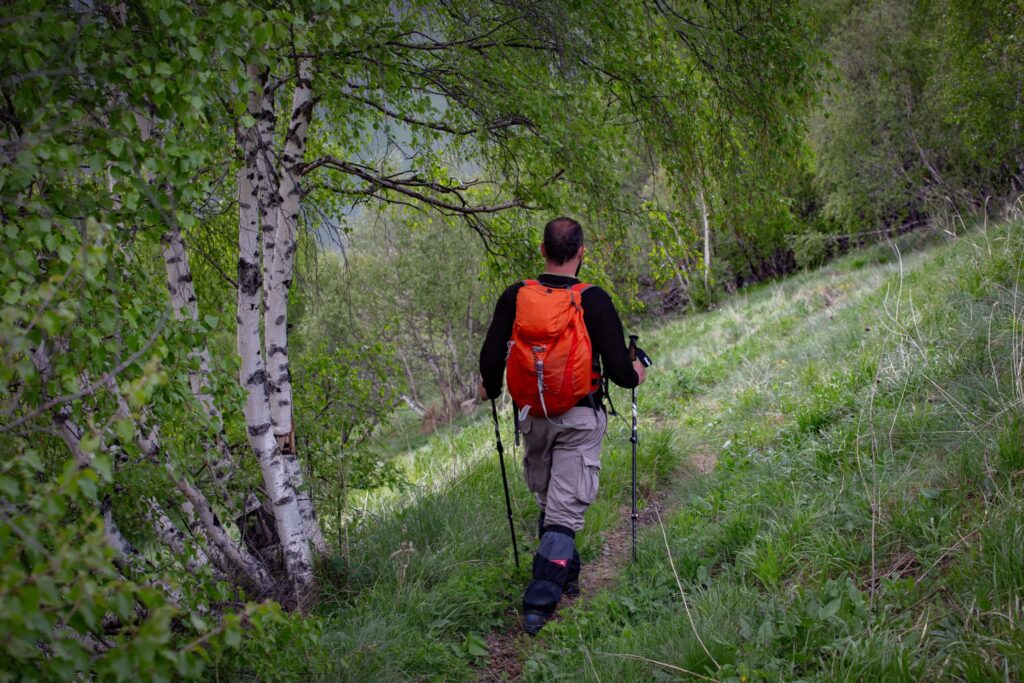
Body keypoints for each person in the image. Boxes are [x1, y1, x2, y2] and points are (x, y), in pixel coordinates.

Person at [478, 216, 647, 634]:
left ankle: (567, 579)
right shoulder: (593, 300)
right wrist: (639, 369)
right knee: (563, 514)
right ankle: (539, 604)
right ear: (581, 253)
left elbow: (489, 358)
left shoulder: (516, 295)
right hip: (578, 417)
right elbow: (622, 374)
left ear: (542, 251)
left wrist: (490, 387)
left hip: (532, 417)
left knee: (553, 502)